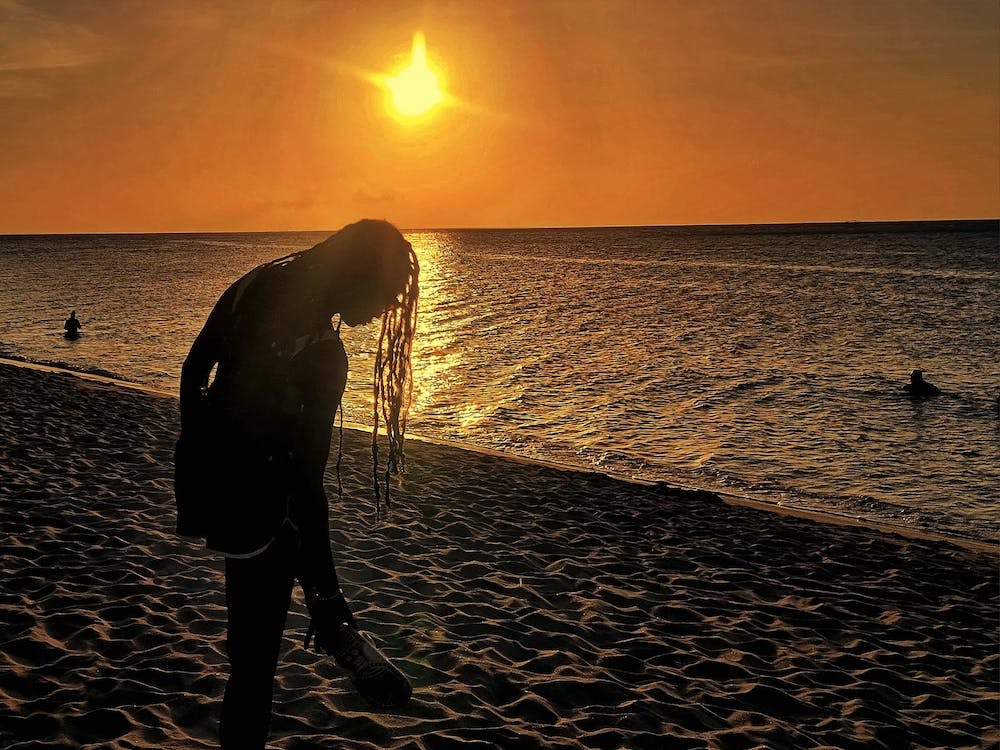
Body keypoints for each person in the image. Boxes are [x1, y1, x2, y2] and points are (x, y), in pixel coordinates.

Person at [175, 219, 419, 749]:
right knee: (256, 661)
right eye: (384, 293)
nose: (384, 310)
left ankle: (329, 613)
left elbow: (194, 370)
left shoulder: (253, 285)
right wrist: (328, 592)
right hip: (269, 504)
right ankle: (331, 617)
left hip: (226, 487)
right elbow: (306, 484)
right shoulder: (323, 353)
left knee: (248, 658)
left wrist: (199, 449)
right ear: (360, 274)